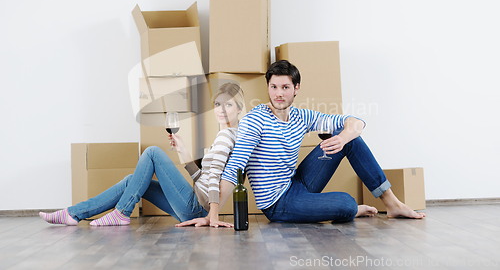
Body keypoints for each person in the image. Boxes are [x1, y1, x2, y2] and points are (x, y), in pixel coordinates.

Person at [180, 60, 425, 226]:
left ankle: (392, 204)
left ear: (296, 89)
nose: (278, 93)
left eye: (285, 87)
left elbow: (356, 122)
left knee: (349, 137)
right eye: (274, 87)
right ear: (268, 87)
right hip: (277, 202)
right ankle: (345, 209)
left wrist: (342, 137)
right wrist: (212, 215)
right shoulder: (255, 121)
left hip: (296, 182)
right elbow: (233, 168)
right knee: (348, 204)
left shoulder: (303, 116)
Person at [40, 82, 245, 227]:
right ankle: (73, 213)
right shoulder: (231, 134)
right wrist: (184, 153)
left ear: (239, 107)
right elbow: (204, 179)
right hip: (196, 207)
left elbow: (215, 178)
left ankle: (121, 212)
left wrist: (212, 216)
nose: (221, 110)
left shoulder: (226, 136)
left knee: (153, 152)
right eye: (218, 104)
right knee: (133, 180)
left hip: (197, 207)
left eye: (228, 104)